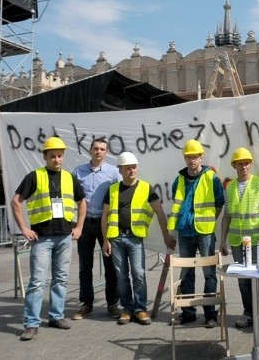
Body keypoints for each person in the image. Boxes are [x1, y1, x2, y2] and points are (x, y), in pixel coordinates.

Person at [12, 136, 86, 341]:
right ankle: (31, 323)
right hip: (42, 238)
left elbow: (82, 203)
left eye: (60, 156)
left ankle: (56, 316)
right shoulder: (34, 176)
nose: (57, 159)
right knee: (37, 281)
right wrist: (24, 228)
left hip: (64, 237)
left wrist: (79, 226)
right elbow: (16, 202)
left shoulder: (70, 178)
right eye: (52, 156)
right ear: (45, 156)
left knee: (61, 279)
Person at [101, 152, 175, 325]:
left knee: (139, 274)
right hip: (116, 238)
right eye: (127, 168)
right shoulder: (112, 190)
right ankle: (127, 309)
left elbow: (160, 213)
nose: (131, 170)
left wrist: (166, 236)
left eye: (134, 167)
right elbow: (105, 217)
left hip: (135, 238)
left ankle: (140, 309)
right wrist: (105, 240)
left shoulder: (146, 188)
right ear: (120, 170)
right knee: (121, 276)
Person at [220, 147, 259, 337]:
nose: (243, 166)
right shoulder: (230, 188)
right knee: (244, 280)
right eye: (239, 163)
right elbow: (227, 216)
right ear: (234, 165)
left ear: (250, 164)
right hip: (237, 242)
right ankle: (249, 313)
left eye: (246, 163)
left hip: (257, 241)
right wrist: (222, 241)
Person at [168, 139, 225, 328]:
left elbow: (219, 202)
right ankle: (188, 313)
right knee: (187, 273)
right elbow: (176, 206)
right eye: (189, 157)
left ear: (202, 157)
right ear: (185, 158)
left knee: (209, 274)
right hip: (185, 231)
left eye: (195, 157)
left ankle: (210, 314)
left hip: (205, 232)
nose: (192, 160)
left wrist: (209, 221)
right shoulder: (180, 180)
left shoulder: (211, 178)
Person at [71, 137, 122, 320]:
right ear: (90, 150)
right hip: (85, 223)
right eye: (96, 148)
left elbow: (119, 196)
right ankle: (86, 304)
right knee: (85, 265)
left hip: (105, 223)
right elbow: (72, 198)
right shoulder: (78, 172)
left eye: (102, 149)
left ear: (106, 152)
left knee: (110, 265)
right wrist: (75, 224)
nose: (98, 152)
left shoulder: (114, 173)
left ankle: (113, 304)